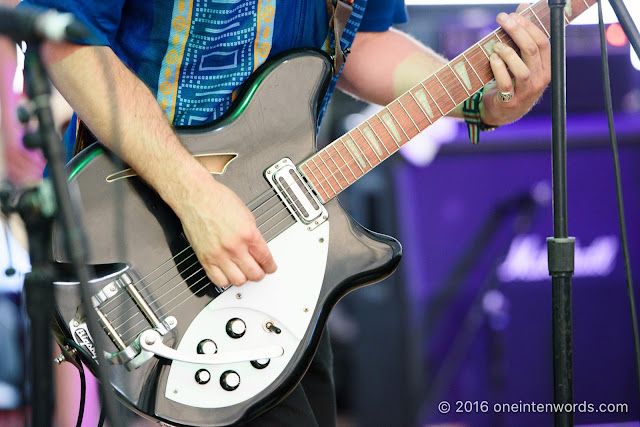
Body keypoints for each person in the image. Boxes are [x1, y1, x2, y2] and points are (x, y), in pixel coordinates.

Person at [15, 0, 551, 425]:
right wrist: (195, 195)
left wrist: (475, 96)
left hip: (278, 261)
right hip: (139, 243)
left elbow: (361, 39)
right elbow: (66, 39)